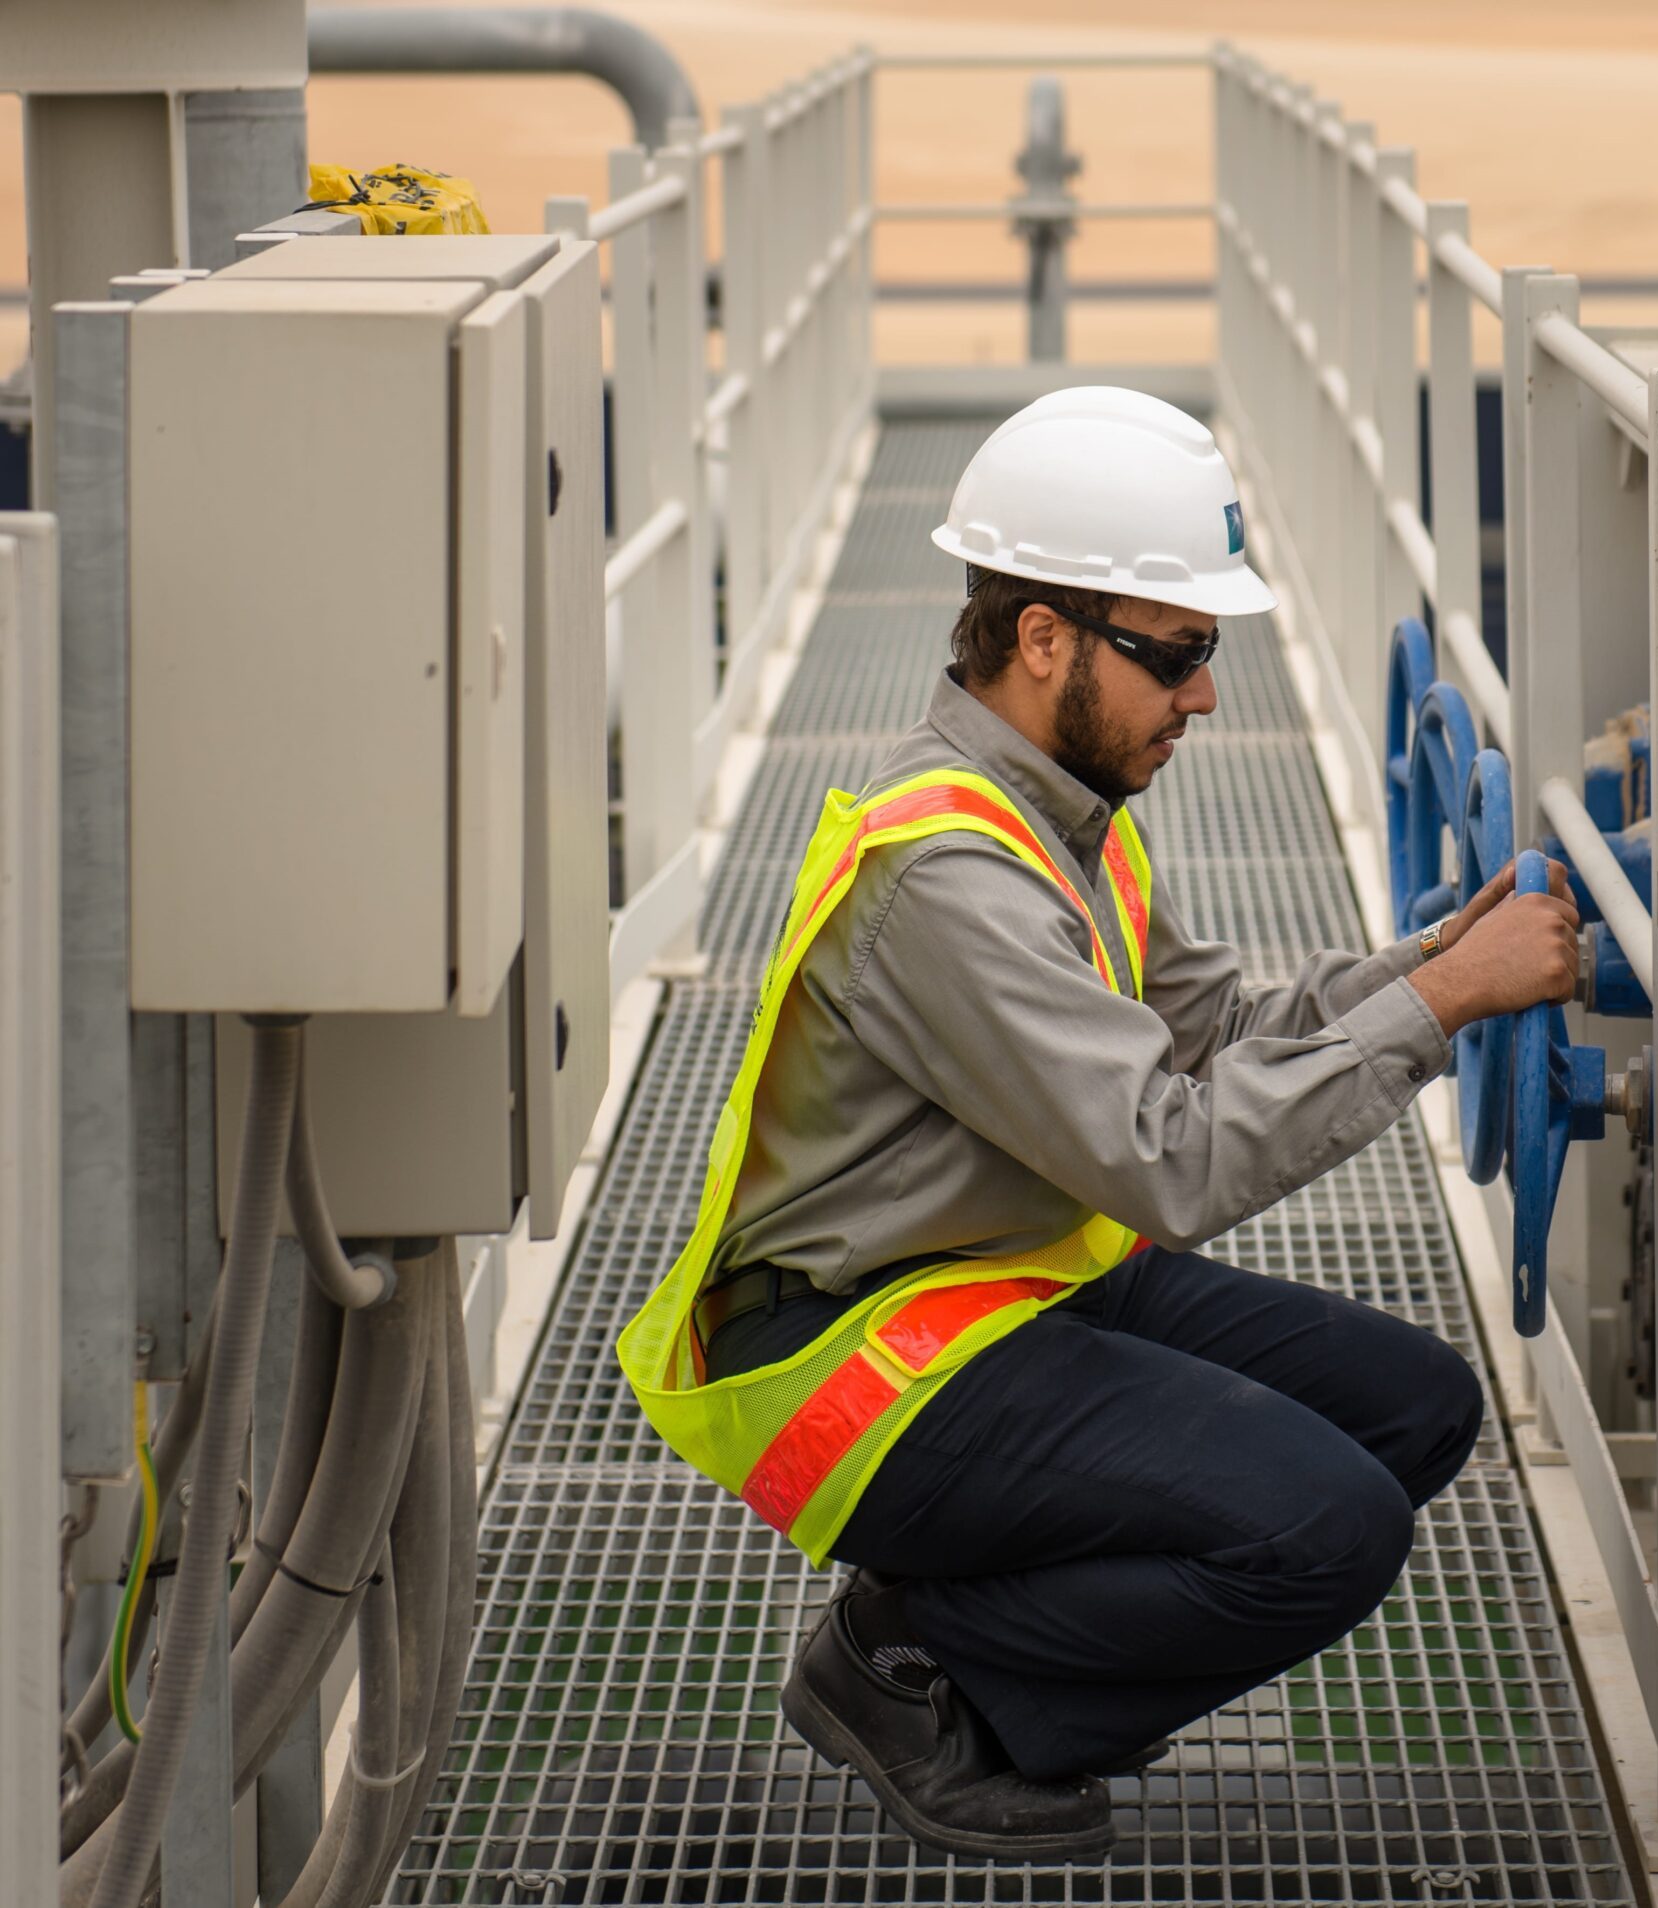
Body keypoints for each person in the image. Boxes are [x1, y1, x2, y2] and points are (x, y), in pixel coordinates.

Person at [617, 386, 1580, 1862]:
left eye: (1208, 655)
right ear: (1042, 638)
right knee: (1330, 1528)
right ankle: (913, 1670)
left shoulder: (1061, 817)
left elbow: (1213, 1033)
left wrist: (1425, 963)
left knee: (1417, 1409)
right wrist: (1445, 1009)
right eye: (1177, 655)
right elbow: (1175, 1158)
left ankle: (981, 1649)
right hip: (862, 1351)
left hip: (1000, 1275)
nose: (1204, 697)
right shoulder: (950, 879)